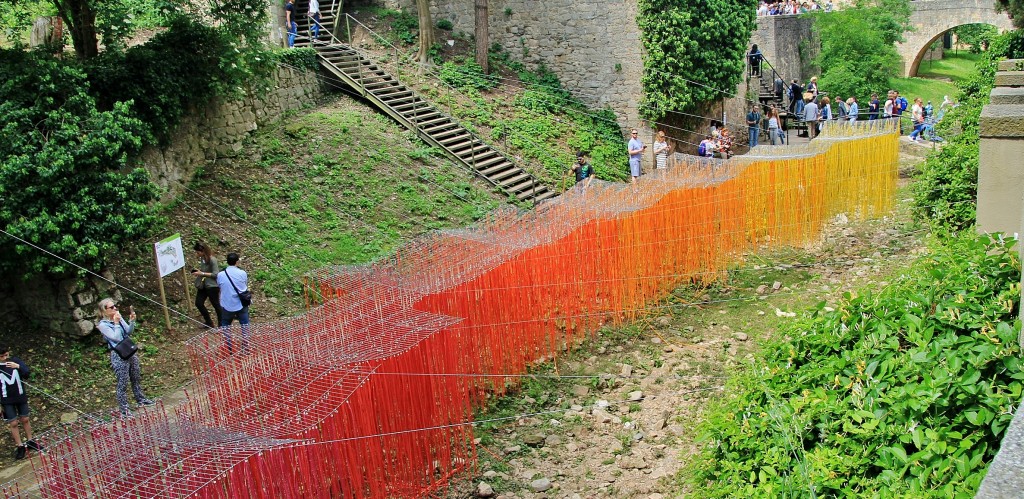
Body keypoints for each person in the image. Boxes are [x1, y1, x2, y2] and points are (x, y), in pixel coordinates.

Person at [96, 299, 154, 417]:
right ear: (104, 311)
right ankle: (124, 408)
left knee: (136, 375)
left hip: (129, 349)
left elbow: (128, 331)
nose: (115, 309)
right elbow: (116, 338)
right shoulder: (103, 325)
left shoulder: (118, 316)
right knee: (123, 381)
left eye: (115, 306)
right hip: (118, 354)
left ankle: (140, 398)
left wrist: (132, 321)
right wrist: (116, 323)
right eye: (111, 307)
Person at [0, 347, 40, 460]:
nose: (5, 358)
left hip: (20, 397)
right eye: (1, 356)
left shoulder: (15, 361)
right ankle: (20, 446)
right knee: (13, 423)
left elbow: (27, 373)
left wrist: (18, 367)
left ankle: (30, 441)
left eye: (6, 355)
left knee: (25, 419)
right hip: (6, 400)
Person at [217, 252, 251, 353]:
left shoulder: (221, 275)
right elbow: (244, 285)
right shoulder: (242, 273)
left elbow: (220, 287)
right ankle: (245, 347)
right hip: (241, 303)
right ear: (237, 262)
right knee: (244, 324)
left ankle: (229, 347)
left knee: (226, 324)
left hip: (227, 304)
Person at [191, 242, 222, 329]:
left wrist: (203, 273)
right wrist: (198, 272)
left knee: (216, 305)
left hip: (212, 286)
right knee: (198, 303)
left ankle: (221, 325)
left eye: (198, 252)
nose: (197, 254)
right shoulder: (202, 259)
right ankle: (208, 321)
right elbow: (203, 270)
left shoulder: (212, 260)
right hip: (203, 284)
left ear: (203, 251)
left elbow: (216, 274)